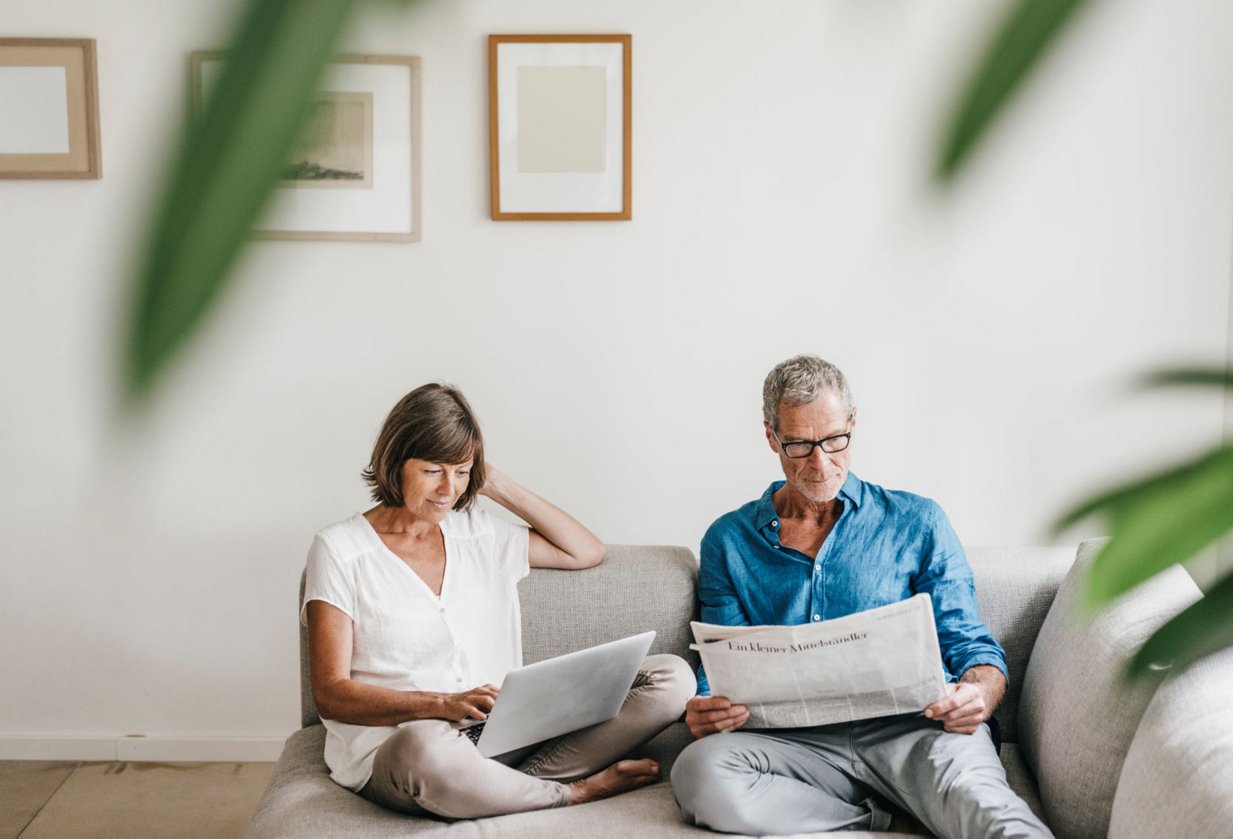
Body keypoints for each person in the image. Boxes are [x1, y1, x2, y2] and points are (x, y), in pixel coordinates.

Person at [670, 356, 1051, 838]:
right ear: (771, 437)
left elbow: (971, 643)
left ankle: (918, 806)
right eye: (799, 445)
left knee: (994, 818)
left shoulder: (918, 520)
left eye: (833, 440)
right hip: (794, 747)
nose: (820, 463)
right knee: (698, 771)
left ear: (852, 423)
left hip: (917, 733)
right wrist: (706, 705)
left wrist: (979, 692)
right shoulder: (728, 540)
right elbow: (721, 660)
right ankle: (883, 820)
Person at [304, 383, 695, 819]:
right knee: (424, 747)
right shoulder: (340, 549)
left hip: (505, 732)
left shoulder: (477, 532)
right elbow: (331, 694)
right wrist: (439, 704)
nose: (447, 490)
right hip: (406, 748)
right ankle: (572, 793)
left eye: (462, 471)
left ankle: (499, 789)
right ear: (395, 463)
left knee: (671, 677)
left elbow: (585, 551)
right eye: (433, 470)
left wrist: (497, 483)